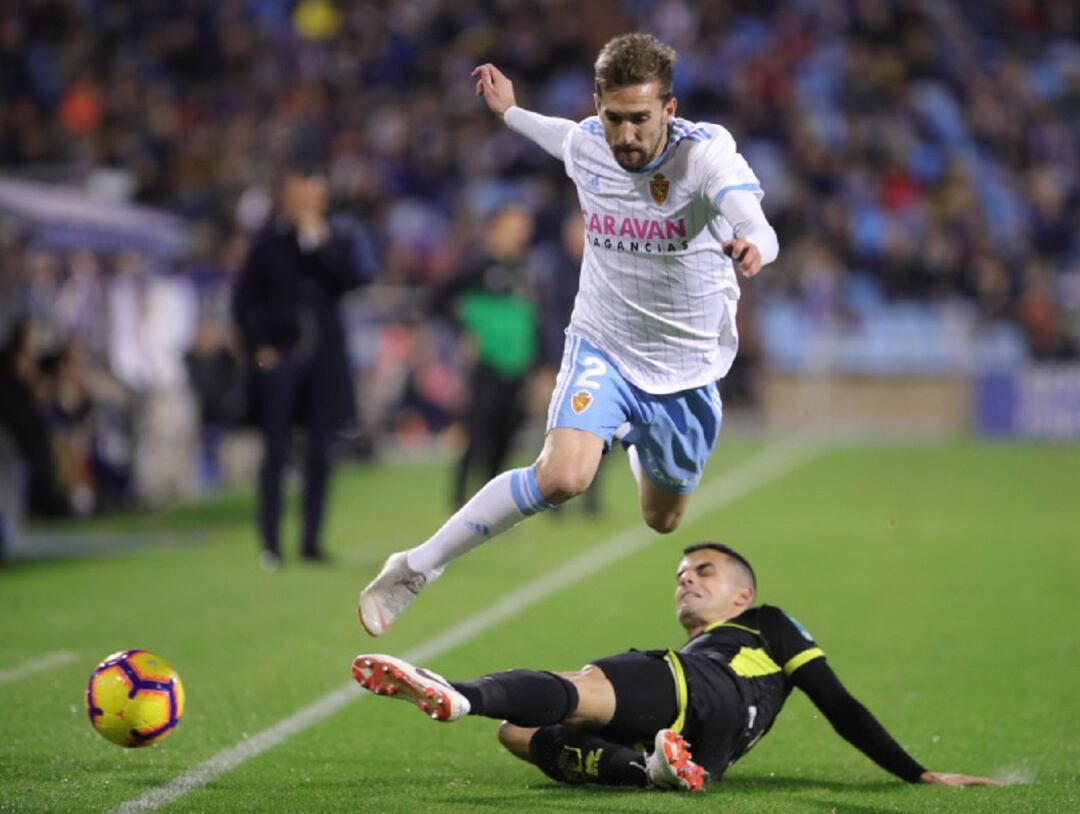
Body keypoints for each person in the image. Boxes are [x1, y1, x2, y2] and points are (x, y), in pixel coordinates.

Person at [359, 33, 779, 635]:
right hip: (603, 343)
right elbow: (557, 133)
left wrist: (752, 246)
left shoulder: (707, 158)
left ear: (670, 110)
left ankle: (637, 440)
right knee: (563, 477)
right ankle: (417, 565)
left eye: (640, 119)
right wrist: (508, 110)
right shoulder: (590, 144)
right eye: (614, 118)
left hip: (686, 368)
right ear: (598, 105)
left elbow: (759, 223)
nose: (626, 136)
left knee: (664, 521)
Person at [353, 543, 1002, 793]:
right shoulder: (699, 651)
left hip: (708, 694)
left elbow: (840, 704)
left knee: (579, 690)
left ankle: (458, 693)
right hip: (708, 748)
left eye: (704, 573)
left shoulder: (763, 625)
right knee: (520, 735)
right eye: (681, 574)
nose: (687, 580)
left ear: (741, 596)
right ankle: (651, 769)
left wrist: (917, 772)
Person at [232, 163, 370, 569]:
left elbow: (352, 281)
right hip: (281, 360)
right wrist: (261, 353)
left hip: (324, 361)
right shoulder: (267, 243)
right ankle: (271, 543)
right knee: (275, 452)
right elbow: (242, 304)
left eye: (315, 196)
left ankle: (311, 541)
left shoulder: (335, 238)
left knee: (320, 452)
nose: (309, 203)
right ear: (286, 198)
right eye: (301, 196)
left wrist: (319, 243)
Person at [431, 202, 541, 509]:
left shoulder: (524, 271)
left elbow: (531, 319)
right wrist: (463, 331)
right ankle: (458, 503)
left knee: (507, 437)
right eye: (513, 226)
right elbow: (438, 299)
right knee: (477, 432)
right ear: (494, 231)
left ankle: (493, 506)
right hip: (486, 366)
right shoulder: (477, 268)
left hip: (517, 366)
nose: (520, 233)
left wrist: (537, 364)